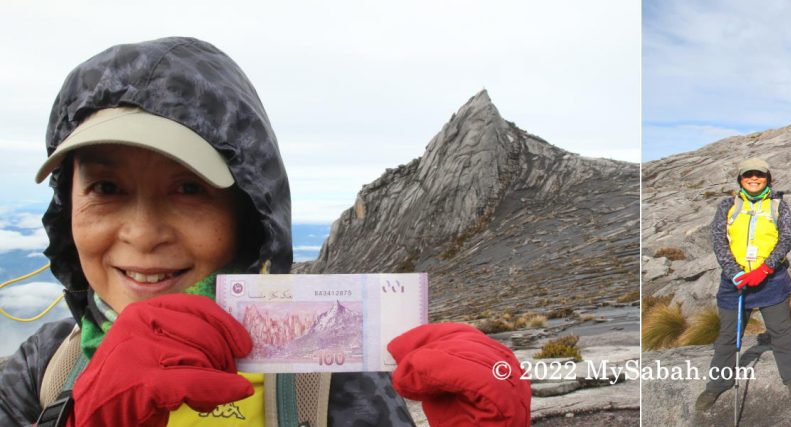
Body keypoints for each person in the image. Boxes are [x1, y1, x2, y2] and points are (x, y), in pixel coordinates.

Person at [0, 37, 530, 426]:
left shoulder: (322, 377)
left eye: (188, 189)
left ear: (248, 214)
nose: (141, 234)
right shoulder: (43, 369)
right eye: (107, 187)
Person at [695, 158, 791, 412]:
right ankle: (717, 385)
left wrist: (765, 269)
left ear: (768, 178)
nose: (754, 179)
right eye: (748, 175)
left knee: (781, 332)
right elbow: (719, 242)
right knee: (727, 337)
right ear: (740, 179)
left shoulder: (779, 206)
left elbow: (785, 240)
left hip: (771, 281)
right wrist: (735, 273)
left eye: (759, 175)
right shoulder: (727, 206)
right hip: (735, 283)